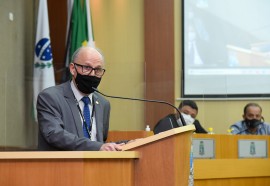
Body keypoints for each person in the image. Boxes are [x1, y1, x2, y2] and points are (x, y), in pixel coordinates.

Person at [37, 46, 124, 151]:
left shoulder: (103, 103)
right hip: (61, 166)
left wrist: (125, 144)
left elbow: (100, 143)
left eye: (97, 69)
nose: (92, 74)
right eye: (87, 68)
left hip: (96, 166)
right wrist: (98, 146)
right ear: (73, 69)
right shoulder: (50, 97)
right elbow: (55, 135)